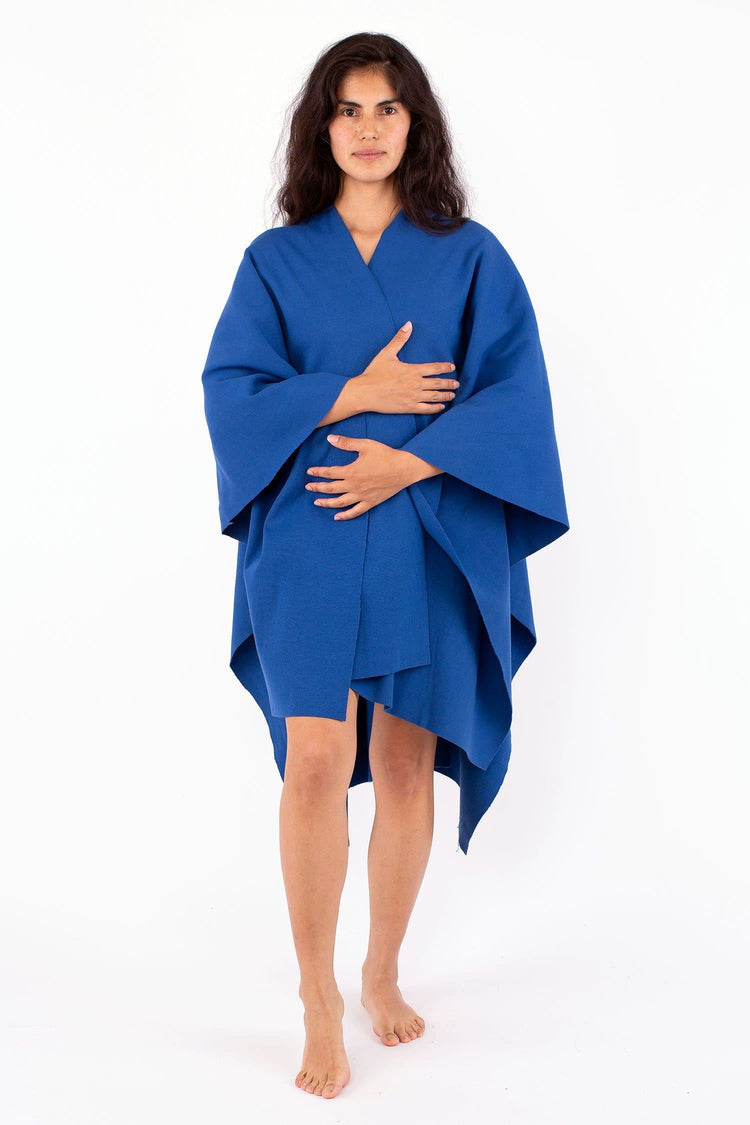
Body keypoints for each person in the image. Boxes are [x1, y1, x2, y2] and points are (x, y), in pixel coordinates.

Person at [201, 32, 569, 1100]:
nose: (368, 129)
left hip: (425, 525)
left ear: (416, 124)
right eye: (348, 109)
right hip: (311, 527)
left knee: (405, 760)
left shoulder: (471, 256)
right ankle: (318, 993)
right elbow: (232, 393)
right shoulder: (275, 262)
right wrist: (354, 393)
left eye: (387, 109)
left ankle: (382, 967)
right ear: (322, 127)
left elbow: (516, 398)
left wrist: (407, 463)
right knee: (317, 757)